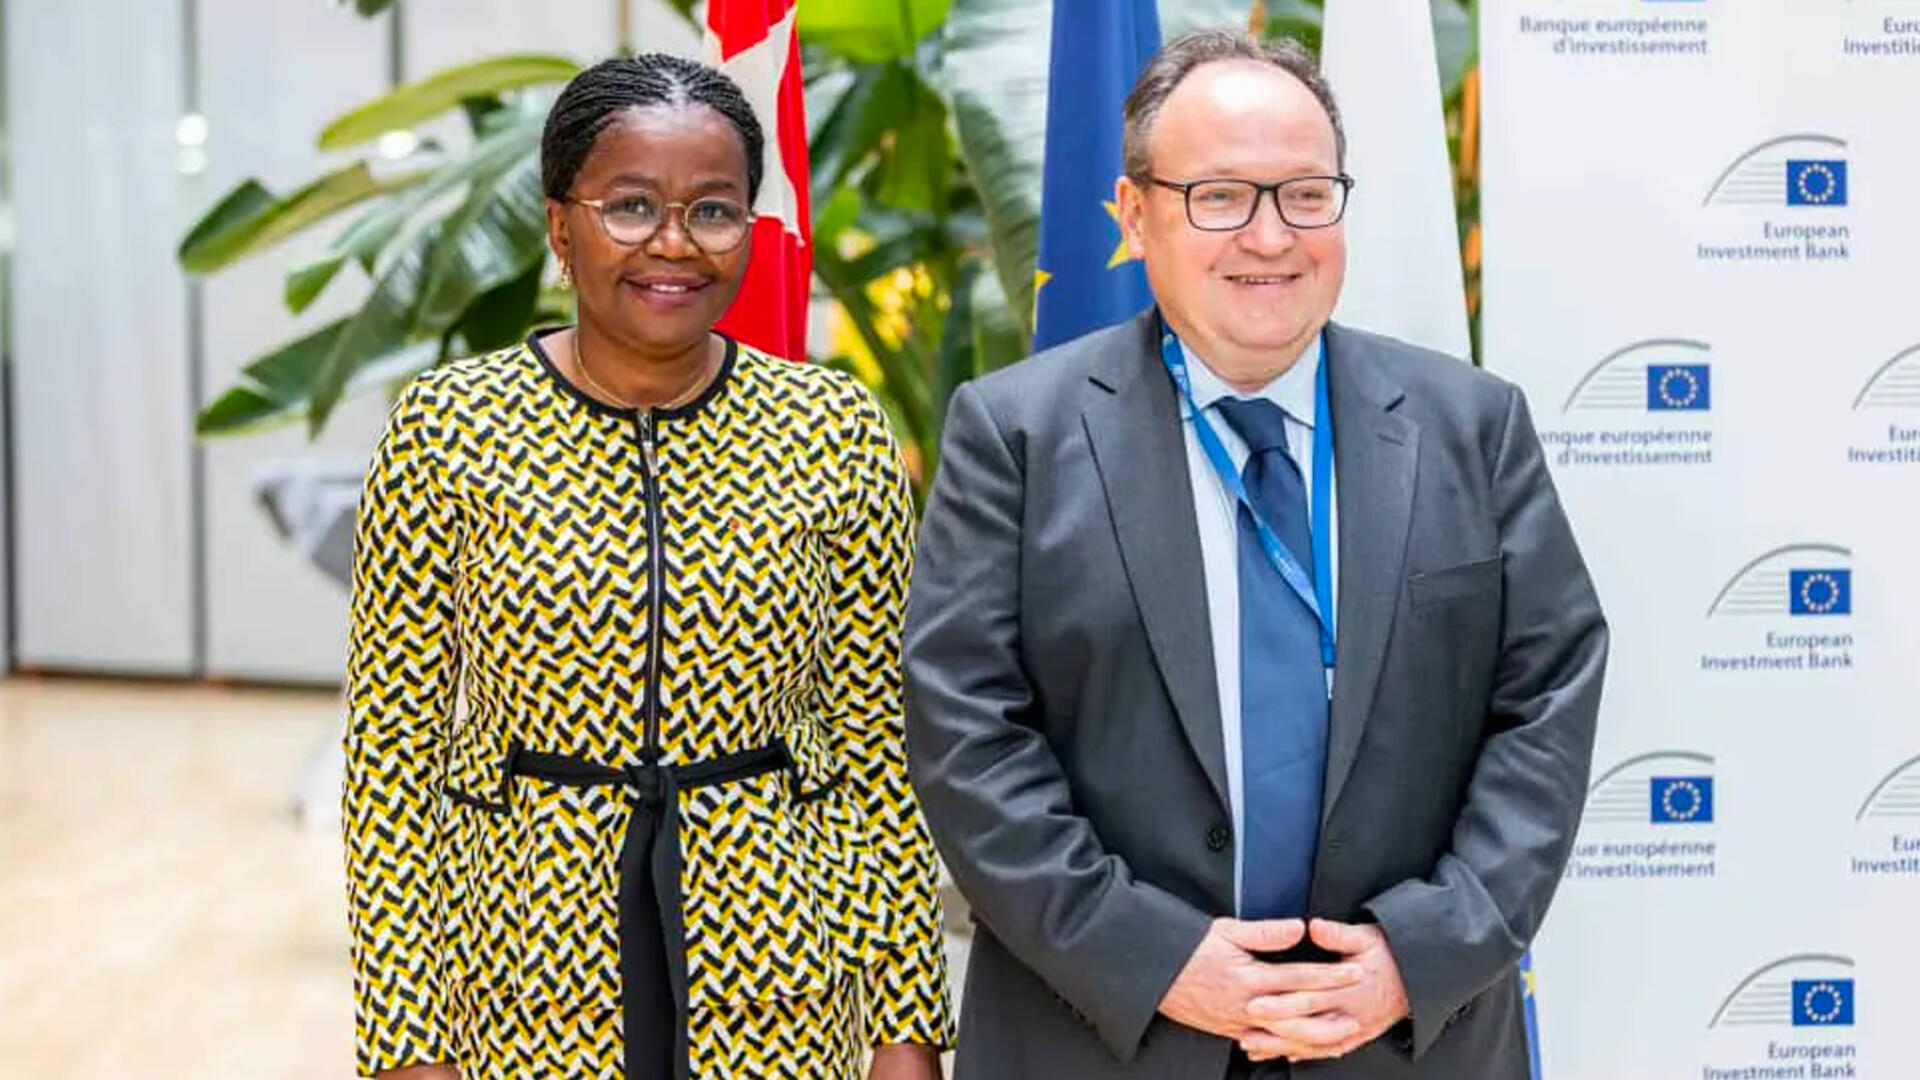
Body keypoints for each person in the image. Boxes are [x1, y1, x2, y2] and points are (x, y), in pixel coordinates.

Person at [903, 31, 1606, 1080]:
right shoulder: (1017, 434)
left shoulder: (1470, 424)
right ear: (1135, 216)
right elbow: (967, 733)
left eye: (1306, 195)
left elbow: (1546, 700)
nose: (1271, 237)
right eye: (1221, 196)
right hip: (1107, 1035)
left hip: (1404, 1039)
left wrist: (1418, 954)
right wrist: (1154, 958)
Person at [343, 54, 953, 1080]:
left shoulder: (833, 429)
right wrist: (409, 1046)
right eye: (629, 206)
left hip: (779, 978)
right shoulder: (447, 429)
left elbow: (876, 754)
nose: (674, 243)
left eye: (713, 211)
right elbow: (392, 768)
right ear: (559, 225)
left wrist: (907, 1033)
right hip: (526, 975)